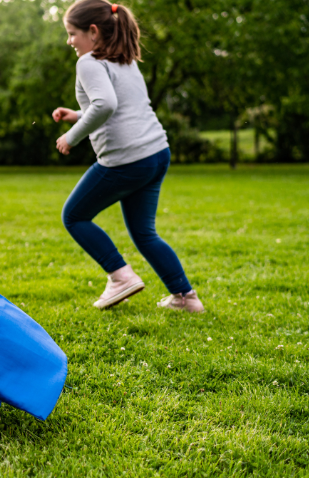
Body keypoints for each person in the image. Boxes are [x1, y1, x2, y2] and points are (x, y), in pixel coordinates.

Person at [51, 0, 204, 313]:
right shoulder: (125, 60)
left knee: (75, 216)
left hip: (127, 160)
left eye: (72, 33)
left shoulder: (89, 62)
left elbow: (106, 105)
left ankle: (120, 277)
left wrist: (72, 136)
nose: (69, 41)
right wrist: (76, 116)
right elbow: (117, 106)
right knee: (145, 234)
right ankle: (186, 298)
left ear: (93, 32)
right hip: (156, 153)